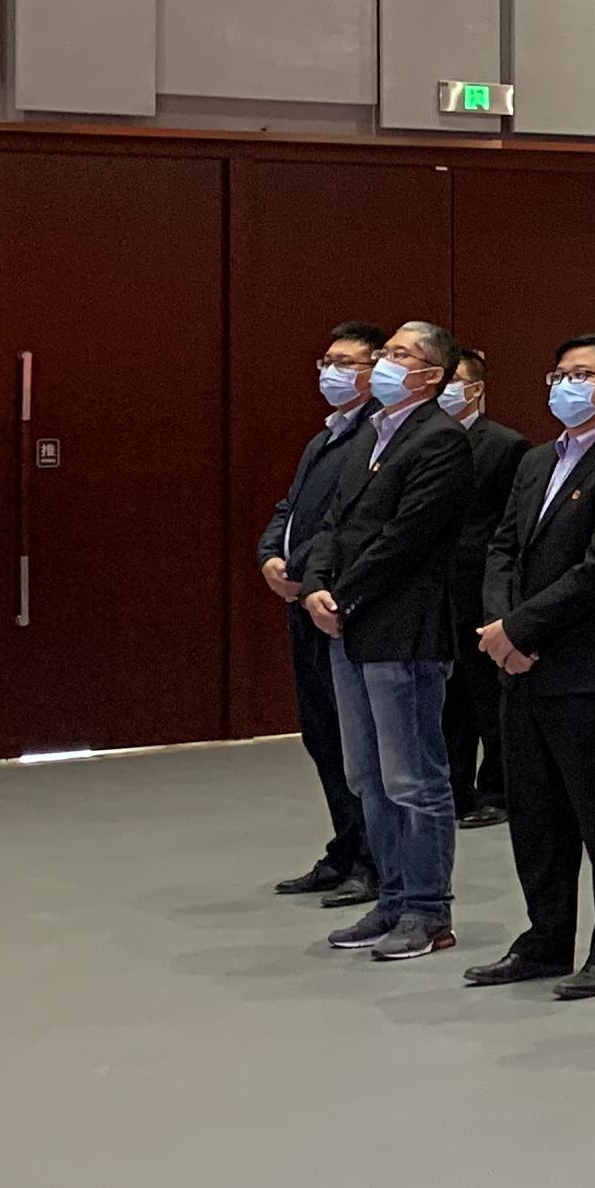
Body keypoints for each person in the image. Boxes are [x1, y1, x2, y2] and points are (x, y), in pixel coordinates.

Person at [464, 336, 595, 998]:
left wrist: (521, 629)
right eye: (560, 374)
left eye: (582, 374)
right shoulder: (536, 461)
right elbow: (502, 548)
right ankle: (545, 939)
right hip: (519, 666)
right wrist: (501, 628)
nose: (566, 385)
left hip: (585, 669)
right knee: (535, 813)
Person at [302, 322, 480, 962]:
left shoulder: (441, 440)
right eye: (386, 352)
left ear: (431, 375)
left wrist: (343, 597)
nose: (385, 361)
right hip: (351, 628)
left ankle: (428, 910)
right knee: (367, 775)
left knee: (413, 778)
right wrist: (315, 586)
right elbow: (335, 523)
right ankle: (392, 896)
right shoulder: (370, 434)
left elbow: (406, 538)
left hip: (403, 631)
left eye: (401, 354)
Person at [256, 321, 387, 904]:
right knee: (321, 735)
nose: (330, 373)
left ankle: (372, 858)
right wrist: (269, 556)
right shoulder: (326, 437)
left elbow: (349, 520)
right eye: (326, 362)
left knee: (355, 740)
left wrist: (303, 569)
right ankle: (345, 846)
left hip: (336, 600)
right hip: (302, 601)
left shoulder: (376, 437)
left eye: (345, 363)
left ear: (376, 370)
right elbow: (291, 507)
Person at [438, 348, 527, 831]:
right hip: (436, 590)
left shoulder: (505, 445)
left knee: (488, 696)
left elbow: (507, 527)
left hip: (480, 586)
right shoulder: (429, 440)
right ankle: (455, 790)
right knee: (449, 700)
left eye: (454, 381)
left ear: (474, 389)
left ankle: (499, 789)